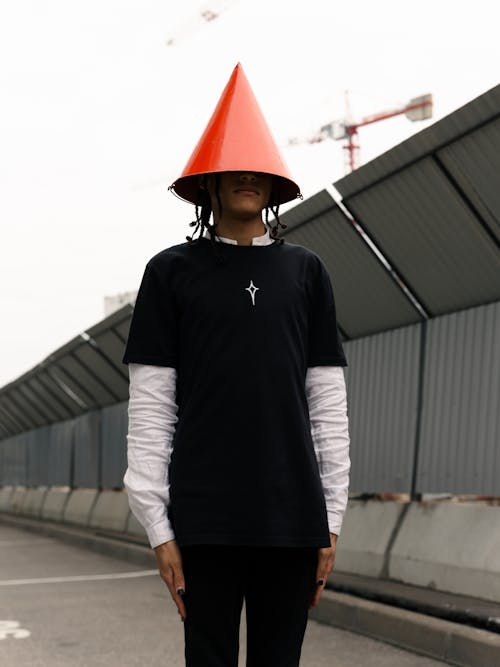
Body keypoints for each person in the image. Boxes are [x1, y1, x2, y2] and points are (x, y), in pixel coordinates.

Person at [122, 63, 350, 667]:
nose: (248, 175)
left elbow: (327, 403)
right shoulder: (169, 273)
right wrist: (158, 526)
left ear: (275, 182)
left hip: (291, 518)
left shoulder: (307, 273)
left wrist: (329, 519)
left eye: (260, 167)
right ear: (211, 179)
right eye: (235, 164)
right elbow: (151, 406)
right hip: (203, 520)